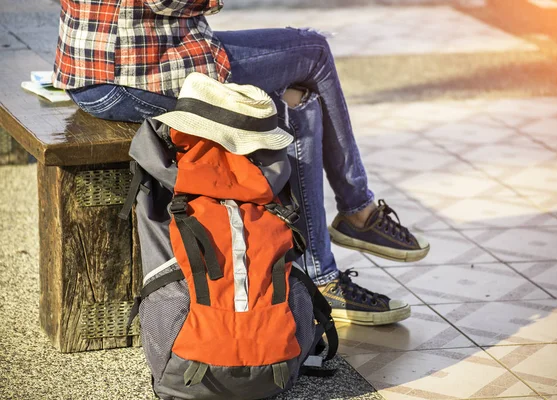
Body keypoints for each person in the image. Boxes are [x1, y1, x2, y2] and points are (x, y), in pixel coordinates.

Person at [53, 0, 430, 326]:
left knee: (300, 100)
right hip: (137, 71)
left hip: (92, 67)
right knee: (314, 52)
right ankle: (355, 218)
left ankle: (323, 269)